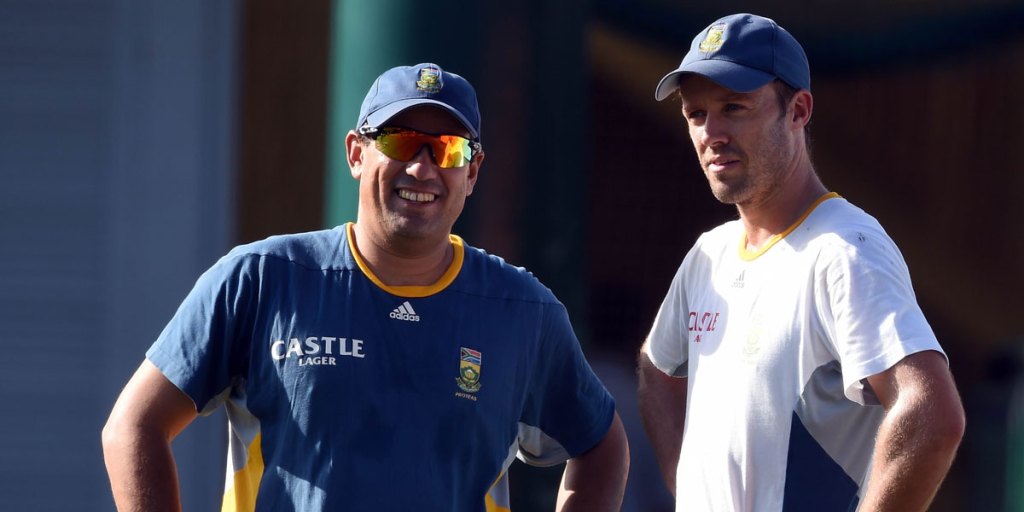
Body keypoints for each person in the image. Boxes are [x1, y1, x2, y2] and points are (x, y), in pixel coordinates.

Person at [102, 62, 629, 511]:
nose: (423, 167)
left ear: (472, 173)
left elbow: (602, 445)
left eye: (447, 150)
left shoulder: (521, 309)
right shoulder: (263, 277)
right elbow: (132, 428)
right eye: (401, 142)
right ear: (357, 154)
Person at [636, 13, 964, 511]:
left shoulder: (845, 249)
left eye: (734, 107)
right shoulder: (709, 254)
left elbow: (932, 417)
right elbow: (655, 370)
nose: (712, 132)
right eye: (696, 113)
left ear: (798, 110)